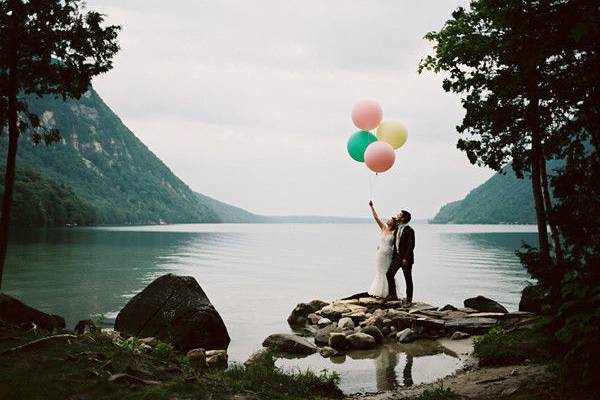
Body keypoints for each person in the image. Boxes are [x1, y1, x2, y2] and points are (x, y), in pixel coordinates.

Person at [367, 201, 398, 298]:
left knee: (387, 271)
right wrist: (372, 207)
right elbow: (376, 218)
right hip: (380, 253)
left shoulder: (396, 232)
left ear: (393, 223)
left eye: (390, 220)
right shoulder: (384, 228)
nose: (388, 220)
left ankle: (389, 292)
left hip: (388, 253)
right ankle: (379, 291)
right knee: (380, 271)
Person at [386, 210, 415, 305]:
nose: (396, 215)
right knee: (389, 274)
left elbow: (411, 246)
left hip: (406, 259)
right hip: (397, 257)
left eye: (399, 214)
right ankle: (392, 295)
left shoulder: (410, 230)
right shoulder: (397, 228)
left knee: (408, 279)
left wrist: (406, 258)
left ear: (403, 218)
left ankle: (409, 300)